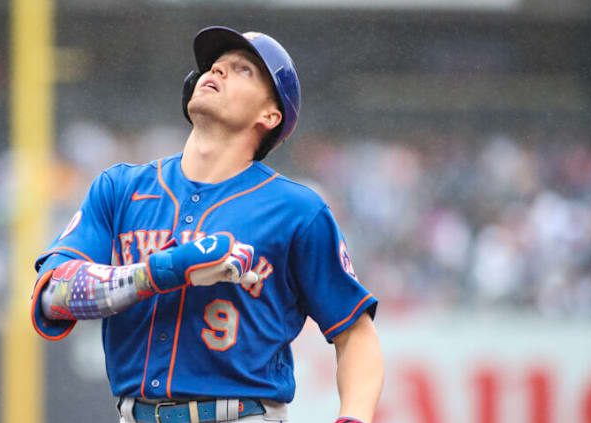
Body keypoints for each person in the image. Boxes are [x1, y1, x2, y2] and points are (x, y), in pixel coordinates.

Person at [31, 26, 383, 423]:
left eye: (242, 70)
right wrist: (166, 270)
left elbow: (354, 334)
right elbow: (53, 296)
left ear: (271, 114)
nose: (215, 73)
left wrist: (353, 419)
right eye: (213, 67)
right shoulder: (120, 188)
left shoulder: (297, 210)